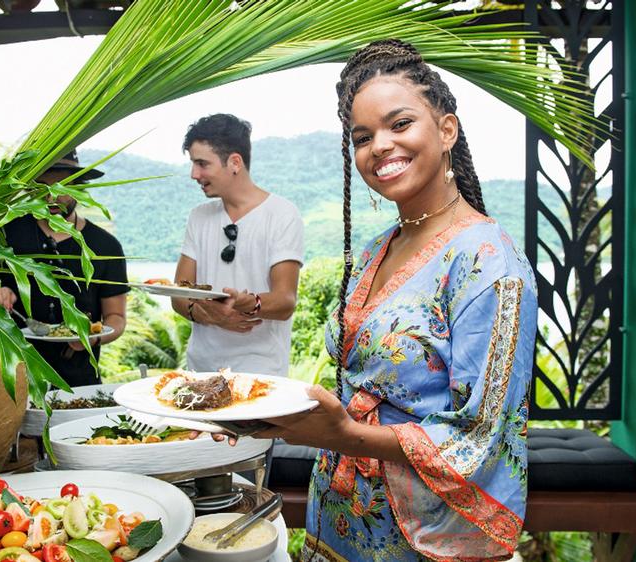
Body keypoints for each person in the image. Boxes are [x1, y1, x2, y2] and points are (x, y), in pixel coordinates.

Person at [227, 40, 536, 561]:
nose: (380, 147)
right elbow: (358, 389)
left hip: (417, 535)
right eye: (363, 136)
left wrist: (345, 433)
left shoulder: (489, 264)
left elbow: (483, 435)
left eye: (400, 124)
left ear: (446, 130)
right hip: (342, 510)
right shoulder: (376, 250)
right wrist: (276, 416)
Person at [0, 150, 129, 387]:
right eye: (41, 187)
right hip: (12, 376)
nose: (51, 196)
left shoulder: (105, 245)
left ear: (79, 187)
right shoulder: (5, 234)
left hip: (80, 382)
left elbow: (116, 317)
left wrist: (93, 338)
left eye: (62, 186)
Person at [172, 113, 304, 377]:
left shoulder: (282, 214)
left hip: (260, 375)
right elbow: (178, 294)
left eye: (202, 163)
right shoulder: (199, 216)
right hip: (201, 372)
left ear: (234, 162)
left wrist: (249, 302)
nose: (194, 174)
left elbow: (285, 301)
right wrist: (210, 315)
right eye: (193, 163)